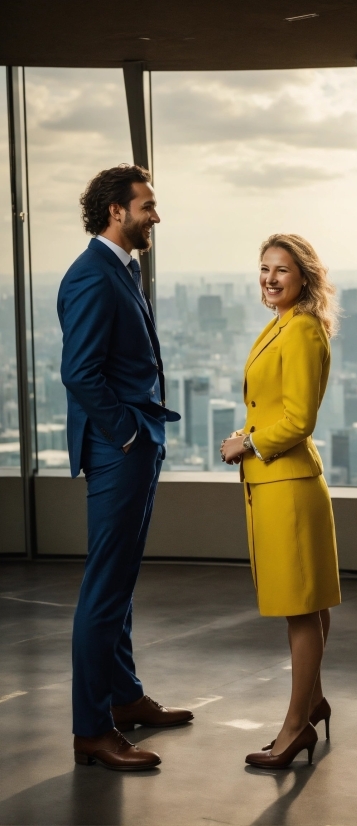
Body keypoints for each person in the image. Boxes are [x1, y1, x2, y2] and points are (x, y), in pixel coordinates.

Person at [58, 164, 193, 771]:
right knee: (105, 589)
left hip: (131, 446)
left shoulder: (119, 270)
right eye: (148, 206)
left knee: (121, 581)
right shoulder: (92, 277)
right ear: (117, 210)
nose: (155, 216)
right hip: (120, 450)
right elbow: (79, 372)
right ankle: (92, 729)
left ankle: (125, 697)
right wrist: (130, 434)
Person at [221, 233, 341, 769]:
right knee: (307, 606)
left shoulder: (304, 331)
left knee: (299, 611)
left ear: (304, 278)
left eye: (282, 270)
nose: (270, 278)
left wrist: (247, 442)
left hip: (288, 486)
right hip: (275, 484)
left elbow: (299, 419)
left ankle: (294, 729)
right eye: (264, 268)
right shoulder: (281, 325)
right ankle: (312, 702)